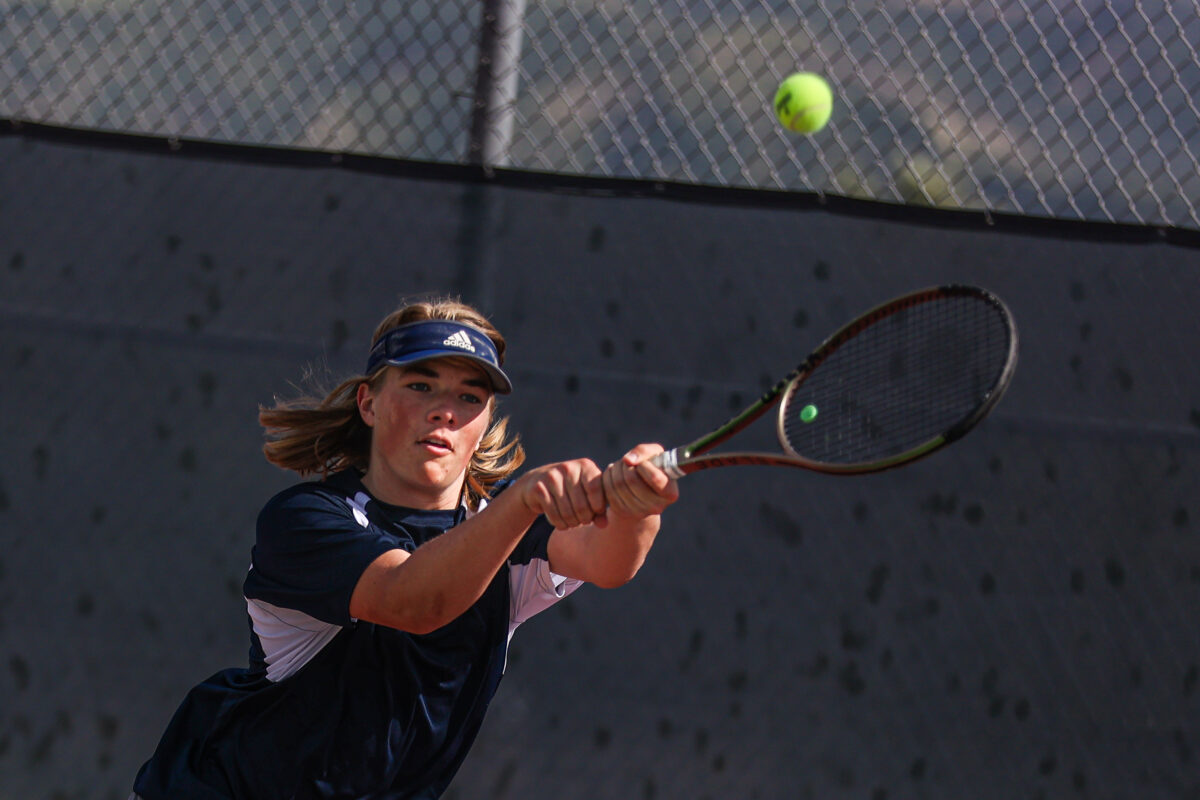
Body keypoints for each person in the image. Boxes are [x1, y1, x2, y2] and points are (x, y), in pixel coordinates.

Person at [130, 298, 679, 799]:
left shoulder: (504, 530)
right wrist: (527, 499)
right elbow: (412, 601)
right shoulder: (305, 520)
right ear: (368, 403)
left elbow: (609, 561)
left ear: (484, 422)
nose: (446, 411)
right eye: (421, 386)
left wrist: (636, 506)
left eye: (470, 397)